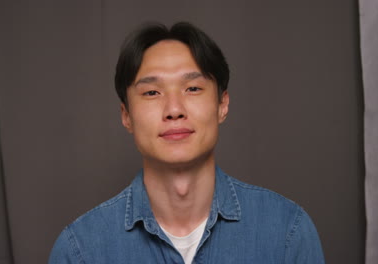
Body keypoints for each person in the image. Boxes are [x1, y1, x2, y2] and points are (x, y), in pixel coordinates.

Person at [49, 21, 325, 264]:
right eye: (152, 92)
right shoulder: (80, 250)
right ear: (126, 115)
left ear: (222, 104)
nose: (174, 109)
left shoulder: (287, 230)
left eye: (192, 88)